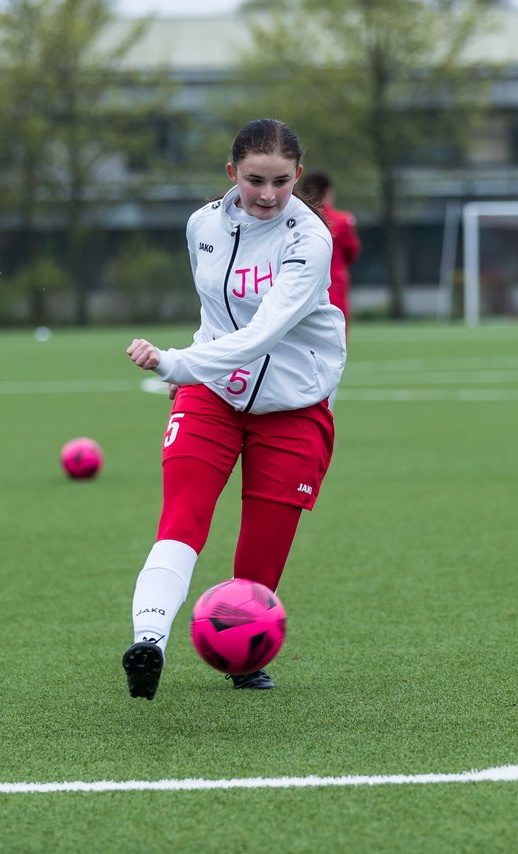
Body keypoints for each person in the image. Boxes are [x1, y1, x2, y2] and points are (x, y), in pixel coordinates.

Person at [121, 118, 346, 700]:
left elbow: (264, 332)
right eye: (254, 181)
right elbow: (216, 317)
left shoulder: (311, 239)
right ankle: (149, 642)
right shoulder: (202, 225)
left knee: (257, 562)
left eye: (280, 181)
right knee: (182, 518)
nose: (268, 195)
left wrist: (177, 365)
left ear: (298, 175)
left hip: (293, 409)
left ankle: (243, 657)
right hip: (213, 396)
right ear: (231, 174)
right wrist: (194, 374)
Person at [298, 170, 360, 338]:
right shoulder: (341, 220)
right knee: (335, 341)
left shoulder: (297, 220)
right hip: (333, 287)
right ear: (328, 192)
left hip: (299, 287)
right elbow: (352, 253)